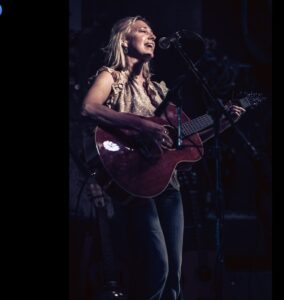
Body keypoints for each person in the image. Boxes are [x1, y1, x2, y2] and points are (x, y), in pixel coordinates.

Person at [81, 15, 245, 300]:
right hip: (134, 179)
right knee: (157, 266)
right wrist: (143, 124)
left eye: (154, 33)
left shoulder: (160, 91)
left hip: (168, 185)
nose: (152, 36)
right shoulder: (111, 76)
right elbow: (89, 108)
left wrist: (222, 124)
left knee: (174, 276)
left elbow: (185, 143)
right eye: (143, 31)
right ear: (123, 40)